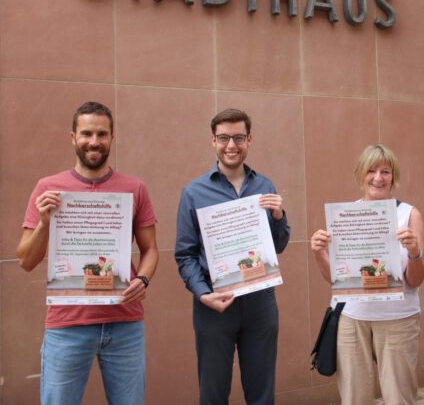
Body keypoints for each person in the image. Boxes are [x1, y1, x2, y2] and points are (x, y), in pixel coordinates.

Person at [16, 101, 159, 405]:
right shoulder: (48, 188)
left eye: (102, 134)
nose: (94, 141)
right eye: (86, 133)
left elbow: (150, 250)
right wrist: (44, 222)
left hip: (125, 323)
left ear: (112, 138)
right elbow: (26, 261)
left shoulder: (135, 188)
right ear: (73, 137)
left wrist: (143, 280)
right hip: (67, 324)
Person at [175, 108, 290, 405]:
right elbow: (185, 255)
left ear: (249, 140)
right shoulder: (193, 192)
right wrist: (202, 294)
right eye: (224, 138)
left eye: (238, 137)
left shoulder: (265, 186)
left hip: (260, 304)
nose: (231, 145)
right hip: (215, 306)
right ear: (213, 141)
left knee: (262, 394)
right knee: (213, 394)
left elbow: (278, 246)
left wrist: (278, 215)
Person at [310, 144, 424, 405]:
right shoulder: (344, 216)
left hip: (398, 318)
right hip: (353, 317)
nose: (378, 178)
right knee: (354, 398)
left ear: (393, 177)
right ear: (360, 174)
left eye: (386, 171)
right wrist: (319, 254)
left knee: (400, 397)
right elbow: (335, 280)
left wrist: (415, 252)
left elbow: (415, 280)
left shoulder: (409, 214)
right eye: (371, 170)